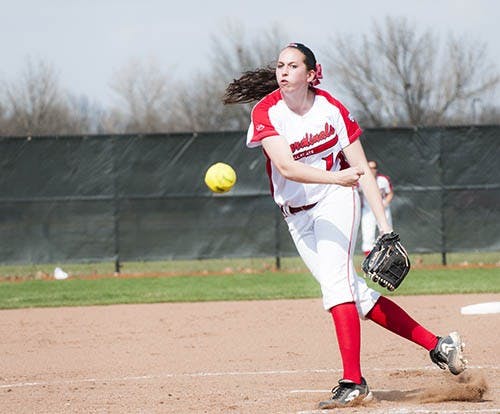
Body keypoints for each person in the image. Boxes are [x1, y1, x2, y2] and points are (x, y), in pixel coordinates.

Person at [223, 42, 466, 409]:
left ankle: (354, 382)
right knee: (357, 297)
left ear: (311, 73)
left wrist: (385, 229)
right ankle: (438, 345)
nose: (284, 71)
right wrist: (337, 179)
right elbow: (287, 168)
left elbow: (361, 168)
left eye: (292, 65)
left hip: (334, 202)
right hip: (297, 215)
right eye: (280, 66)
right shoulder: (267, 111)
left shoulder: (331, 109)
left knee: (336, 287)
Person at [361, 160, 394, 256]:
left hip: (383, 210)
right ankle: (370, 262)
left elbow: (390, 193)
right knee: (368, 236)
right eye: (369, 167)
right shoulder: (361, 180)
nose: (371, 170)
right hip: (368, 211)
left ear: (376, 169)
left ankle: (388, 259)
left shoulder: (383, 180)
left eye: (373, 168)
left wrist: (385, 203)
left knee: (387, 234)